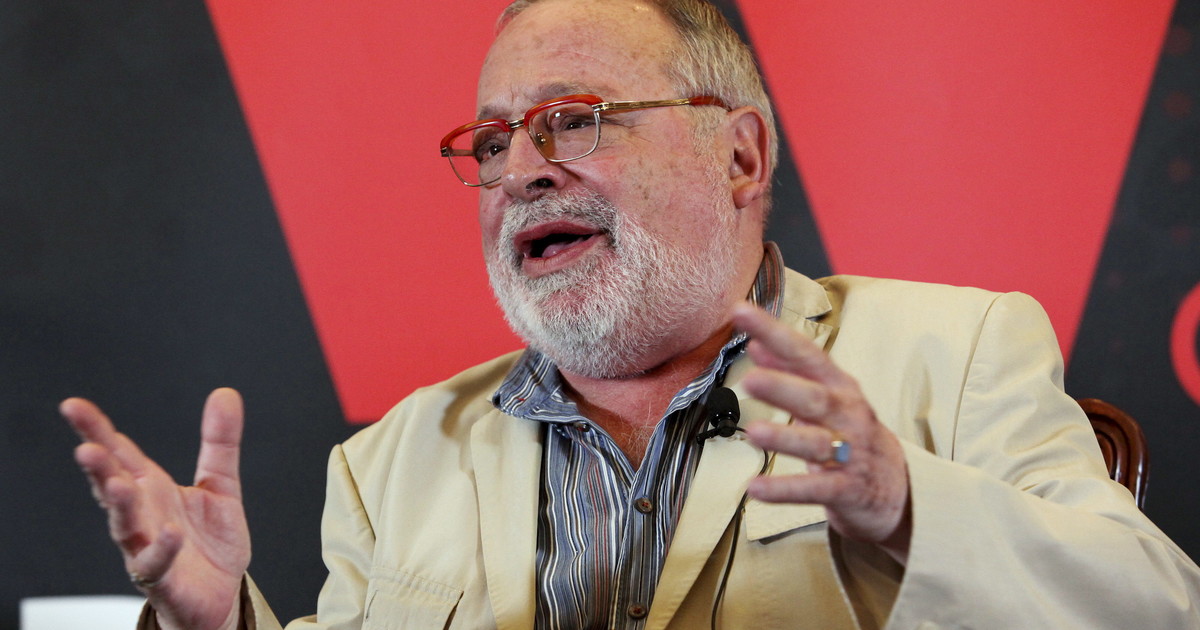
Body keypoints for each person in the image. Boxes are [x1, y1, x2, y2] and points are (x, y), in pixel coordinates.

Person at [61, 0, 1200, 628]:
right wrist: (223, 626)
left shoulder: (953, 354)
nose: (521, 171)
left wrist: (906, 508)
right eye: (494, 140)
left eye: (574, 118)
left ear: (740, 155)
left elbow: (1157, 611)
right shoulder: (391, 461)